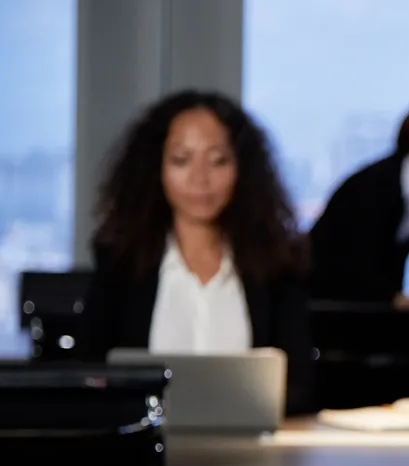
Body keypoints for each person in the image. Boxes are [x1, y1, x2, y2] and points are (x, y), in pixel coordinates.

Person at [80, 89, 314, 415]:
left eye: (218, 161)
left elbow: (301, 384)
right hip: (147, 453)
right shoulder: (121, 260)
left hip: (248, 454)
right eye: (181, 160)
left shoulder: (276, 264)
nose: (200, 179)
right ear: (156, 168)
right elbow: (89, 374)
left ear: (242, 169)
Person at [308, 95, 409, 303]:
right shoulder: (375, 184)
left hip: (368, 305)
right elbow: (356, 260)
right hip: (329, 299)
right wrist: (398, 301)